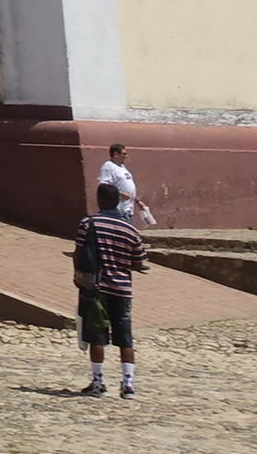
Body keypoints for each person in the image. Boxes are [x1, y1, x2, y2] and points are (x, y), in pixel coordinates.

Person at [72, 180, 148, 397]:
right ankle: (128, 384)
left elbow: (79, 253)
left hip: (97, 288)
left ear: (100, 201)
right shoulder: (130, 230)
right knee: (125, 337)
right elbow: (140, 260)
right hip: (122, 290)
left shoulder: (88, 224)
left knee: (97, 336)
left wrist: (78, 277)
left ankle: (98, 383)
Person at [98, 143, 137, 221]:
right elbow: (104, 187)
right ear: (116, 154)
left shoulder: (122, 167)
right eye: (124, 154)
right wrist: (120, 194)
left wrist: (138, 201)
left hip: (127, 208)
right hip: (118, 209)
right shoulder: (108, 167)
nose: (126, 156)